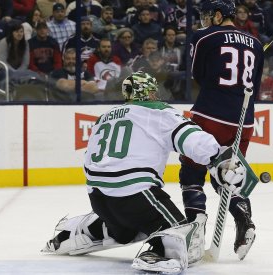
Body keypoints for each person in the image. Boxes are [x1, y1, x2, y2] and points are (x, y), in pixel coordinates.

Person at [41, 71, 247, 273]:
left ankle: (85, 230)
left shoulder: (103, 118)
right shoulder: (158, 111)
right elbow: (192, 139)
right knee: (186, 239)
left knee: (127, 230)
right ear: (148, 92)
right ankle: (159, 252)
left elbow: (90, 159)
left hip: (98, 197)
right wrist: (220, 160)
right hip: (136, 195)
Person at [182, 0, 264, 260]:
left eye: (208, 15)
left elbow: (199, 75)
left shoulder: (203, 37)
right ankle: (243, 220)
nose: (205, 20)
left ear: (219, 15)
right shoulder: (257, 44)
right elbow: (254, 85)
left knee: (192, 171)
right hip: (244, 119)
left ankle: (195, 229)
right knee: (228, 175)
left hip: (210, 113)